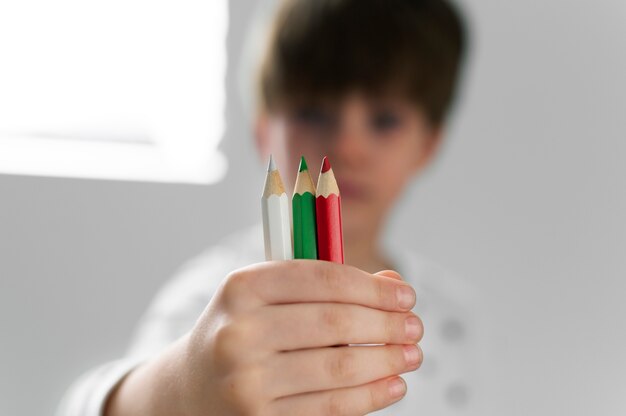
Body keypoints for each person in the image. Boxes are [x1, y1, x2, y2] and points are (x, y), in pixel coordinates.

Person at [57, 0, 483, 414]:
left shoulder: (446, 317)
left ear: (428, 145)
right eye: (314, 114)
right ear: (263, 131)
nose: (348, 147)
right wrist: (182, 389)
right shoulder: (218, 301)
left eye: (385, 119)